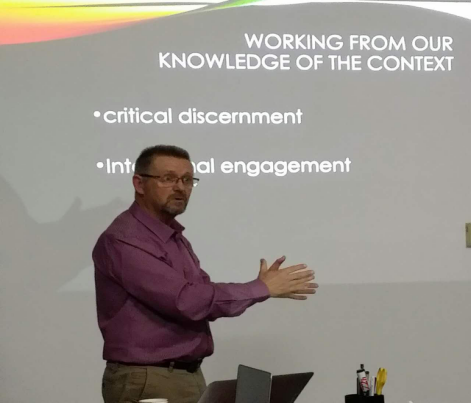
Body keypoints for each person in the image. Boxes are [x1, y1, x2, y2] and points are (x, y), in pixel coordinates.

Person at [92, 145, 318, 403]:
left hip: (181, 375)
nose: (180, 187)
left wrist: (260, 288)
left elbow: (202, 293)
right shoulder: (125, 240)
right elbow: (187, 301)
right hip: (149, 380)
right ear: (139, 183)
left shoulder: (173, 238)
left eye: (187, 180)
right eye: (168, 178)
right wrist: (260, 288)